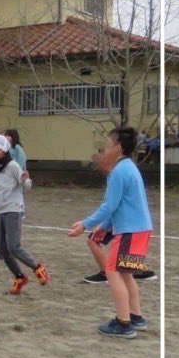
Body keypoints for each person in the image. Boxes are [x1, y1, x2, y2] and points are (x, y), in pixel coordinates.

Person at [68, 126, 153, 338]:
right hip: (139, 229)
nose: (105, 149)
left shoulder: (119, 171)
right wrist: (104, 226)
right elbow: (121, 205)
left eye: (108, 144)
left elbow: (110, 205)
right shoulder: (129, 168)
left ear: (118, 147)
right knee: (125, 272)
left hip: (130, 231)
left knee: (113, 272)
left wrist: (85, 224)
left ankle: (124, 323)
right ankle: (136, 317)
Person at [0, 134, 50, 294]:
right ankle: (19, 276)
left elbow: (27, 186)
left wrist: (25, 180)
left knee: (14, 246)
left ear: (1, 151)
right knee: (2, 249)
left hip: (13, 208)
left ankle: (38, 268)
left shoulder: (13, 166)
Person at [82, 151, 157, 284]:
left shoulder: (117, 173)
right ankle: (141, 271)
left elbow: (111, 205)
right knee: (125, 252)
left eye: (100, 163)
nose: (100, 167)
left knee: (93, 240)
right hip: (132, 221)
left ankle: (106, 272)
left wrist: (89, 224)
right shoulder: (126, 169)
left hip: (128, 221)